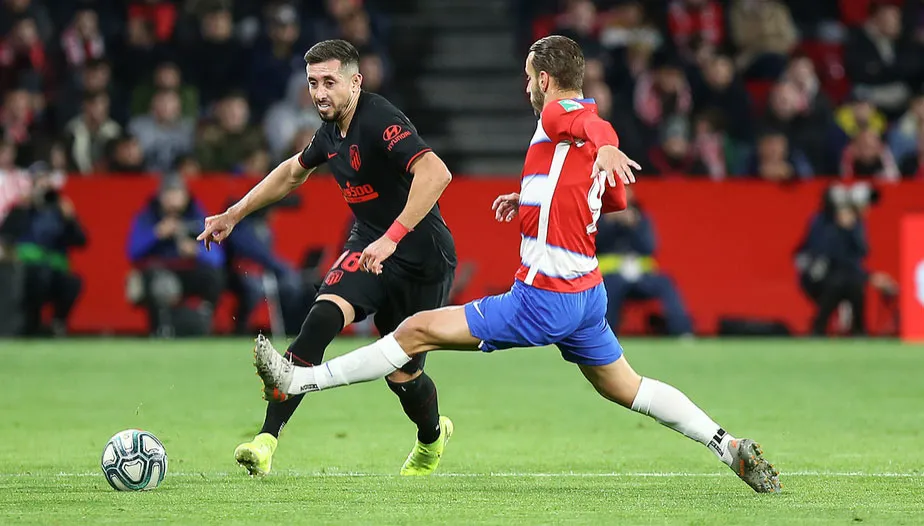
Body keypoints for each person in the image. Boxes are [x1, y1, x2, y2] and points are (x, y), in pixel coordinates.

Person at [251, 35, 781, 494]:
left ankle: (301, 382)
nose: (524, 88)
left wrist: (607, 148)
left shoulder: (558, 113)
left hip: (543, 298)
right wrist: (530, 197)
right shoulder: (563, 139)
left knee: (413, 332)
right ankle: (725, 443)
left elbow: (594, 130)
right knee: (629, 387)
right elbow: (610, 199)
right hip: (586, 297)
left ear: (545, 79)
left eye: (528, 78)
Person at [197, 40, 458, 477]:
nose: (320, 93)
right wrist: (235, 213)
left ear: (355, 83)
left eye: (330, 82)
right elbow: (292, 172)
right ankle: (266, 441)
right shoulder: (330, 132)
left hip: (420, 257)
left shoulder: (378, 119)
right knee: (320, 320)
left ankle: (432, 439)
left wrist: (393, 237)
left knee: (402, 376)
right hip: (368, 246)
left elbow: (437, 173)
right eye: (313, 83)